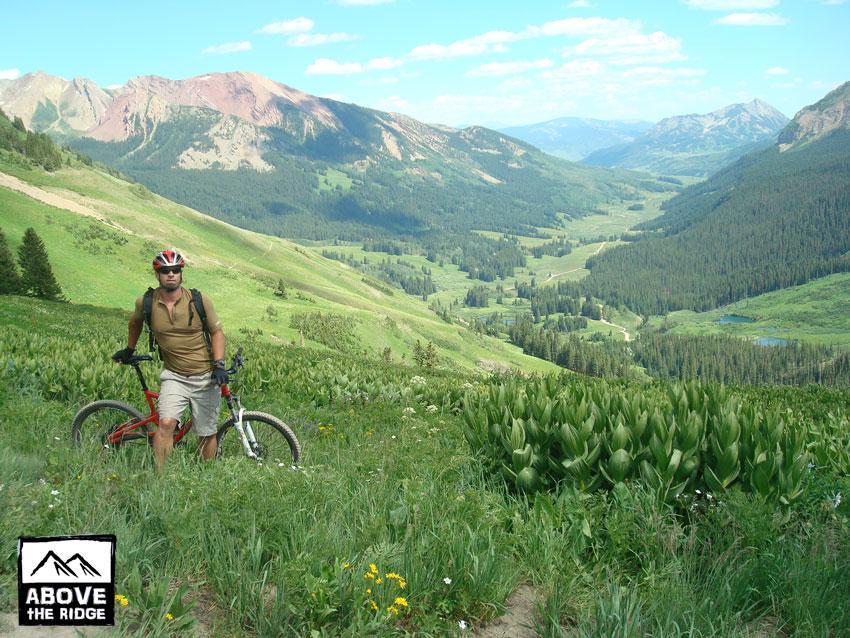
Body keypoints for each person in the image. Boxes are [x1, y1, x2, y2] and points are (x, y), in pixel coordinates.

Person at [112, 249, 227, 469]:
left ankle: (209, 475)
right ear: (157, 275)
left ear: (181, 273)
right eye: (165, 271)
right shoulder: (146, 303)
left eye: (175, 270)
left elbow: (217, 332)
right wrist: (129, 348)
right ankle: (160, 478)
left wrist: (219, 364)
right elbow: (134, 323)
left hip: (204, 375)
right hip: (174, 375)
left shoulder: (199, 300)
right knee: (165, 424)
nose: (171, 274)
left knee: (206, 432)